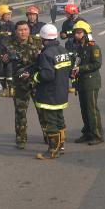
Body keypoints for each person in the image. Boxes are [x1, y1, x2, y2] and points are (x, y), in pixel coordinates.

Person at [32, 24, 71, 160]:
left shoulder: (46, 54)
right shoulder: (63, 50)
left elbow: (47, 75)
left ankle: (52, 150)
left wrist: (34, 76)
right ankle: (61, 146)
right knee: (59, 120)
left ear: (44, 39)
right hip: (61, 93)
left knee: (50, 123)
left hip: (49, 95)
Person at [4, 20, 43, 149]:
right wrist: (5, 59)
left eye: (25, 29)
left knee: (43, 110)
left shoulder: (38, 41)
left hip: (37, 81)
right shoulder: (10, 44)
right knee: (20, 112)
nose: (23, 32)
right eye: (20, 30)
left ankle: (49, 136)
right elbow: (5, 60)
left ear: (29, 30)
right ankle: (21, 139)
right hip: (20, 83)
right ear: (16, 31)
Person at [67, 21, 104, 145]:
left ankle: (97, 135)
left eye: (79, 33)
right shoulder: (79, 47)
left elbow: (97, 64)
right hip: (81, 83)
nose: (76, 35)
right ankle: (87, 133)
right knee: (84, 109)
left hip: (91, 82)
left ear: (86, 33)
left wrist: (81, 69)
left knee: (91, 109)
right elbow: (76, 63)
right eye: (75, 33)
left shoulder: (93, 47)